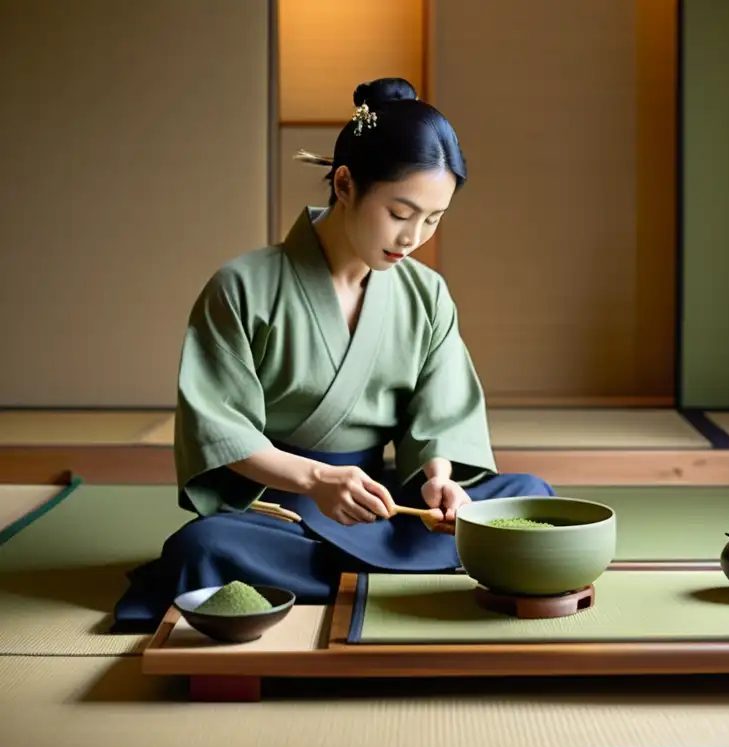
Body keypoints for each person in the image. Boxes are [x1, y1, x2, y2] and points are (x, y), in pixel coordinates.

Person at [112, 77, 554, 631]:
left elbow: (441, 413)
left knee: (529, 496)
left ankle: (366, 567)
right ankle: (410, 573)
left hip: (385, 503)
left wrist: (441, 480)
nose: (414, 236)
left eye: (433, 219)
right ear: (345, 184)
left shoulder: (426, 293)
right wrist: (318, 481)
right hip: (288, 507)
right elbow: (220, 431)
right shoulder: (242, 286)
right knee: (205, 544)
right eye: (400, 212)